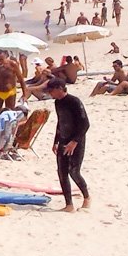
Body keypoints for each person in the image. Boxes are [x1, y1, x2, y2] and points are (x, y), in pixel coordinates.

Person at [49, 78, 91, 213]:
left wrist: (74, 142)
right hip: (63, 140)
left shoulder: (74, 101)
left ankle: (87, 197)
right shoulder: (57, 103)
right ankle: (69, 205)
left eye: (51, 90)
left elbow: (85, 124)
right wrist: (56, 141)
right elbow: (60, 122)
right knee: (61, 172)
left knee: (74, 172)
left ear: (60, 88)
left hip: (76, 141)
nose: (50, 93)